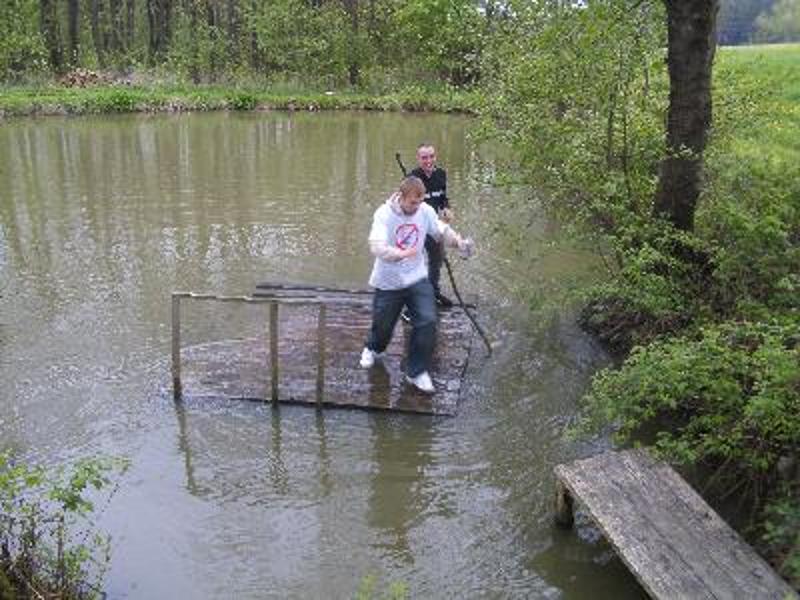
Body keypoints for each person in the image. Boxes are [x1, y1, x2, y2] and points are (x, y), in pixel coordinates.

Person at [360, 176, 474, 394]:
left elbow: (441, 230)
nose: (416, 207)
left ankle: (416, 371)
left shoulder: (424, 211)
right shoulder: (384, 214)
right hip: (389, 280)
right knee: (383, 325)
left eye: (420, 202)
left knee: (428, 320)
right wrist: (402, 253)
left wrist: (459, 243)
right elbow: (376, 246)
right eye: (413, 202)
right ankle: (373, 348)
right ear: (401, 197)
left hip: (416, 277)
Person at [409, 143, 454, 308]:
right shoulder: (412, 178)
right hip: (416, 229)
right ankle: (412, 302)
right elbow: (405, 204)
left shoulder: (441, 174)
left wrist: (447, 209)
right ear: (418, 159)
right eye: (424, 158)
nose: (428, 161)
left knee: (437, 260)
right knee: (414, 265)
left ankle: (433, 292)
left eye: (431, 156)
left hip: (434, 227)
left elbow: (443, 198)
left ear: (435, 156)